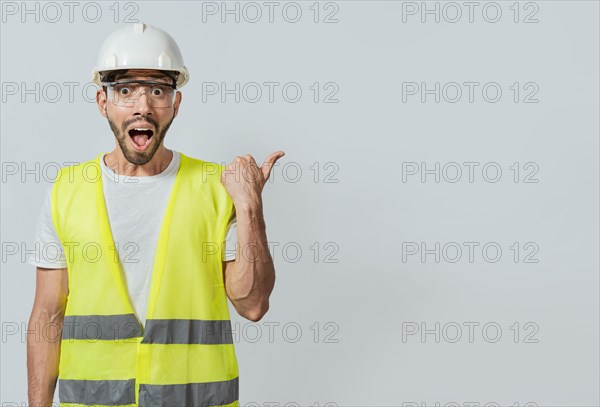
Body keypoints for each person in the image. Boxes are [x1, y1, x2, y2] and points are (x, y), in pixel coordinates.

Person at [26, 22, 284, 407]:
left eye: (158, 91)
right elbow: (47, 316)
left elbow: (253, 304)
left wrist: (250, 206)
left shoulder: (216, 187)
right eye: (125, 91)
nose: (142, 106)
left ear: (175, 105)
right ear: (103, 103)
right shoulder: (67, 190)